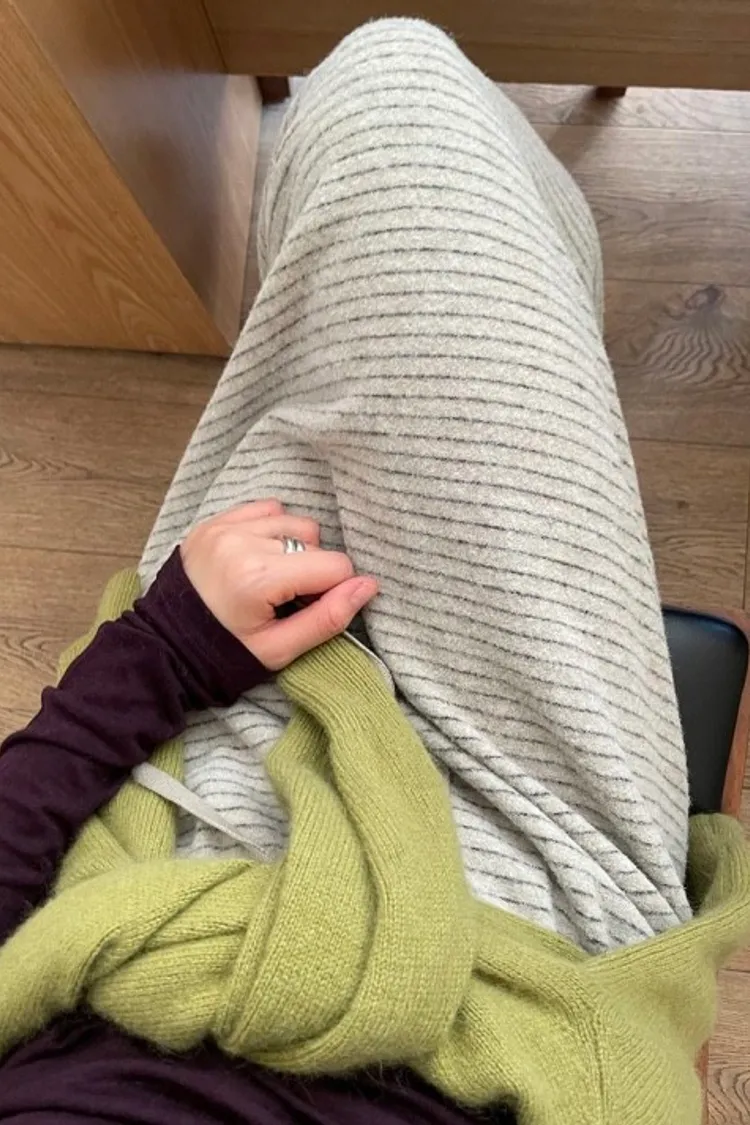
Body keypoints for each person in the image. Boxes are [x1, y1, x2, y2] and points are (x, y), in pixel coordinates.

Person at [0, 18, 748, 1125]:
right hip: (527, 954)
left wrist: (160, 650)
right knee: (408, 114)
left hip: (149, 889)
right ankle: (561, 338)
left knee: (384, 111)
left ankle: (555, 335)